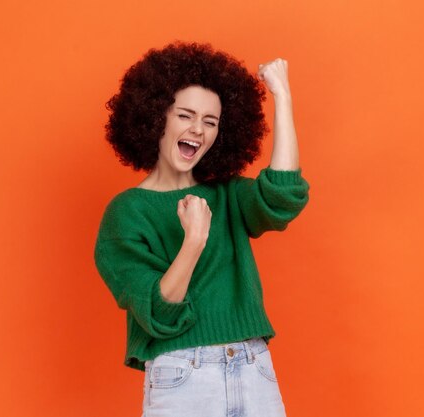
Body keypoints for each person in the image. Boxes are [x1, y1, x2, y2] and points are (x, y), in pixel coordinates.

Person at [93, 41, 309, 417]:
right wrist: (193, 240)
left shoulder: (227, 194)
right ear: (156, 116)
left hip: (252, 366)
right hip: (183, 376)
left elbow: (283, 196)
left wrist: (283, 96)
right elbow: (160, 314)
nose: (197, 129)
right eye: (185, 115)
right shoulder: (125, 213)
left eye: (210, 122)